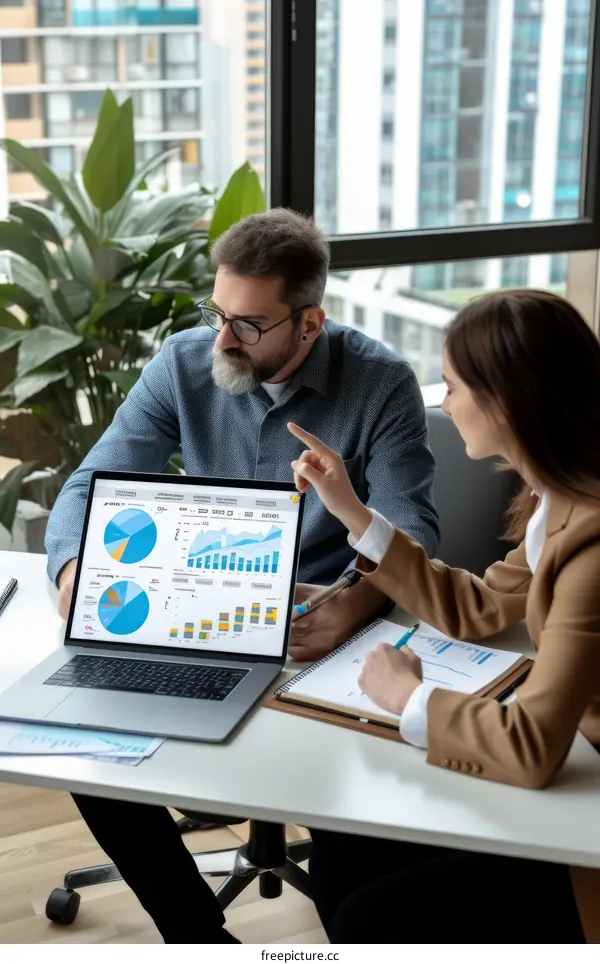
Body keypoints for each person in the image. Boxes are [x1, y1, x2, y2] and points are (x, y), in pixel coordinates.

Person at [45, 207, 439, 944]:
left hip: (323, 626)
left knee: (353, 847)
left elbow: (411, 528)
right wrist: (74, 571)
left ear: (310, 322)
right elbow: (85, 485)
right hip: (200, 606)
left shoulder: (381, 381)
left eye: (249, 324)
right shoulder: (184, 361)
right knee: (84, 736)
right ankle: (196, 934)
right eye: (218, 312)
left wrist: (351, 609)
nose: (222, 338)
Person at [288, 289, 600, 945]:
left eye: (455, 385)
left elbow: (532, 745)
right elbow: (477, 606)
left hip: (584, 818)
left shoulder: (592, 543)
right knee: (340, 852)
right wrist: (350, 508)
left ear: (507, 402)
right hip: (572, 770)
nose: (446, 400)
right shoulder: (558, 497)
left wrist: (412, 695)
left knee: (367, 917)